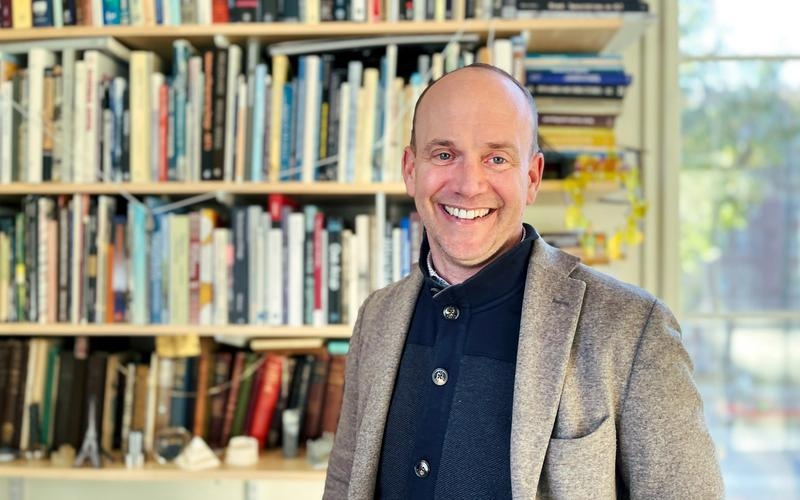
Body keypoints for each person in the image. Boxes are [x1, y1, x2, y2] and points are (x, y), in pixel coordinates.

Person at [323, 63, 724, 499]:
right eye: (444, 155)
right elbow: (344, 484)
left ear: (531, 177)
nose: (468, 185)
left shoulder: (634, 329)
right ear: (410, 169)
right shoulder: (376, 316)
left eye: (496, 158)